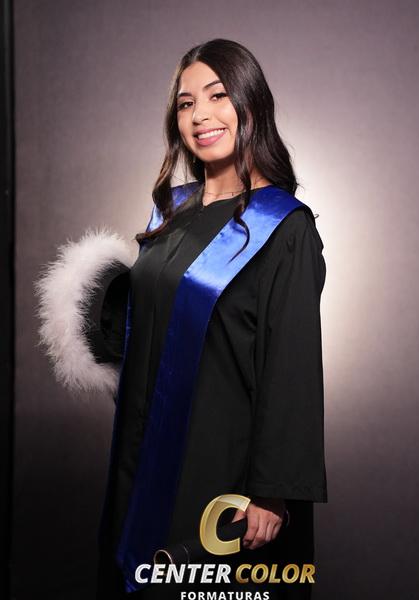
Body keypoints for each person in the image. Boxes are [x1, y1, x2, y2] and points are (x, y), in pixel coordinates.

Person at [36, 38, 327, 599]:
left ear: (250, 103)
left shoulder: (284, 229)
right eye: (186, 103)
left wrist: (271, 490)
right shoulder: (171, 214)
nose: (200, 115)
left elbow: (291, 363)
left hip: (224, 464)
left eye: (218, 96)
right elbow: (150, 324)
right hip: (145, 448)